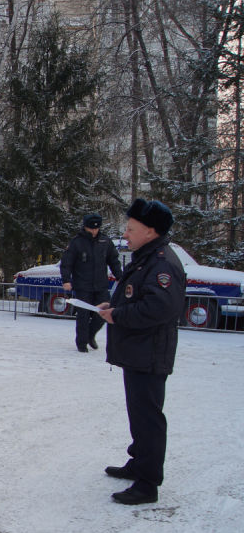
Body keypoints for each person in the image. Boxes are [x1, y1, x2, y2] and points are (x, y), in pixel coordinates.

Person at [98, 199, 185, 505]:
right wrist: (115, 307)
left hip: (149, 354)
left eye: (131, 228)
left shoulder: (162, 263)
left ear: (150, 231)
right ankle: (138, 463)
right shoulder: (145, 257)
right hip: (138, 351)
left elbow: (161, 307)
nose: (126, 233)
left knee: (148, 417)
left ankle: (147, 484)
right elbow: (136, 297)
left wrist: (119, 316)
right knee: (139, 413)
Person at [61, 213, 123, 353]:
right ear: (85, 227)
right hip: (83, 286)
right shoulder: (76, 243)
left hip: (101, 285)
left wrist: (120, 277)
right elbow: (66, 263)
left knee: (102, 313)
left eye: (96, 228)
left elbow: (113, 260)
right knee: (83, 316)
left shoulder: (105, 241)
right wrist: (66, 280)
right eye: (91, 229)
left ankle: (90, 335)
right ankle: (82, 343)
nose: (94, 231)